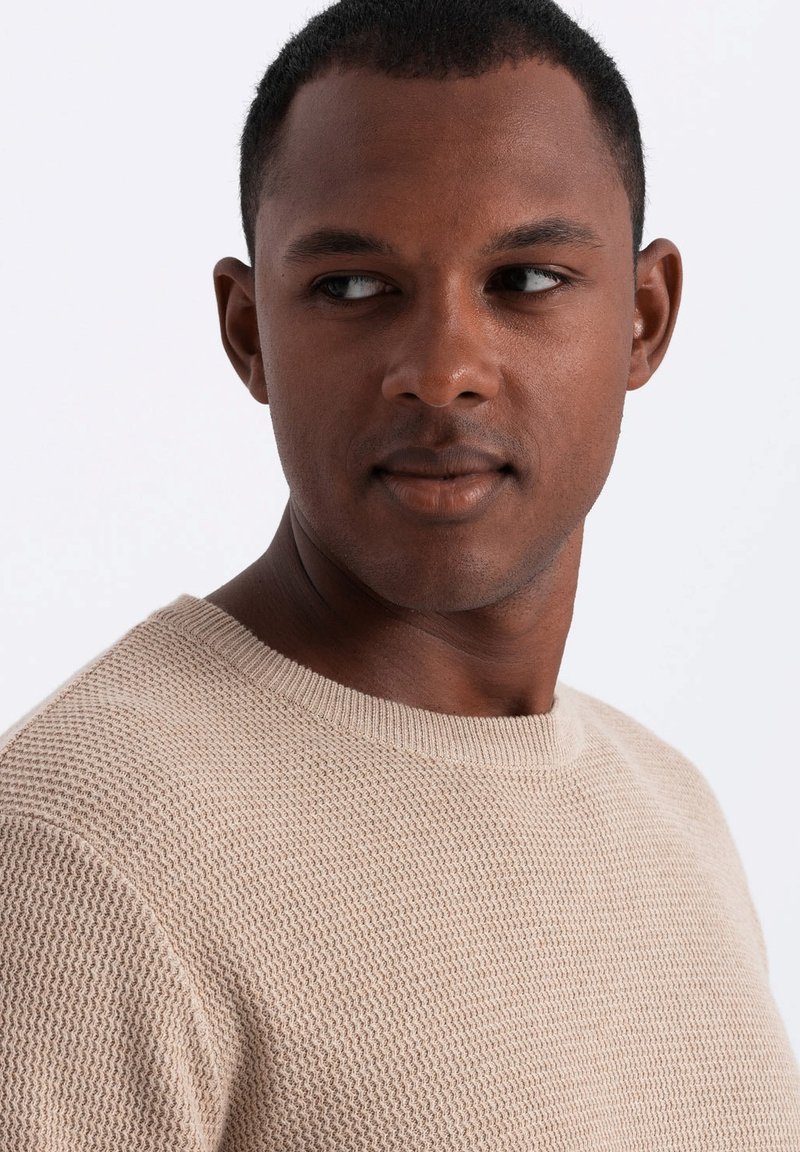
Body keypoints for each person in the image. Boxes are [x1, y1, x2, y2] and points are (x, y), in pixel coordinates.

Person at [1, 0, 798, 1146]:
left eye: (524, 279)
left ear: (642, 316)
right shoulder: (86, 851)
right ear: (248, 333)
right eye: (351, 286)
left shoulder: (673, 812)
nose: (441, 369)